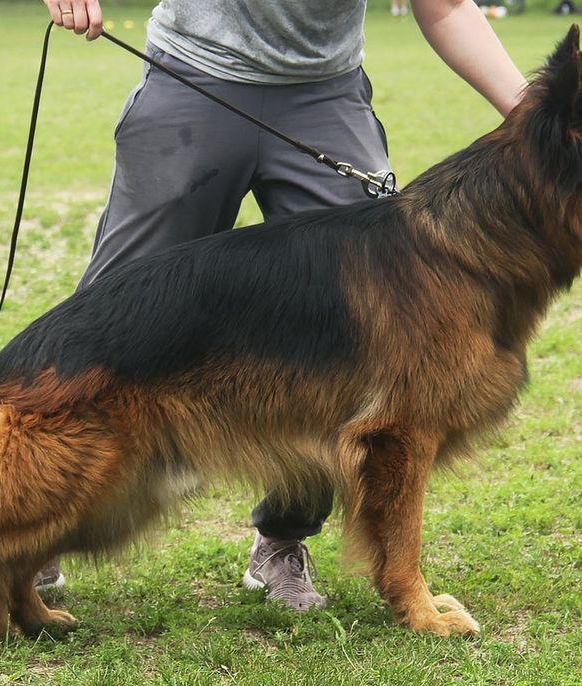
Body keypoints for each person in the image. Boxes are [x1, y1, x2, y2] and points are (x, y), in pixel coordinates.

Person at [36, 0, 527, 610]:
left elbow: (447, 6)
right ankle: (36, 513)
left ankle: (283, 541)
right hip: (194, 75)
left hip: (325, 94)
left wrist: (529, 110)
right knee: (119, 299)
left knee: (352, 336)